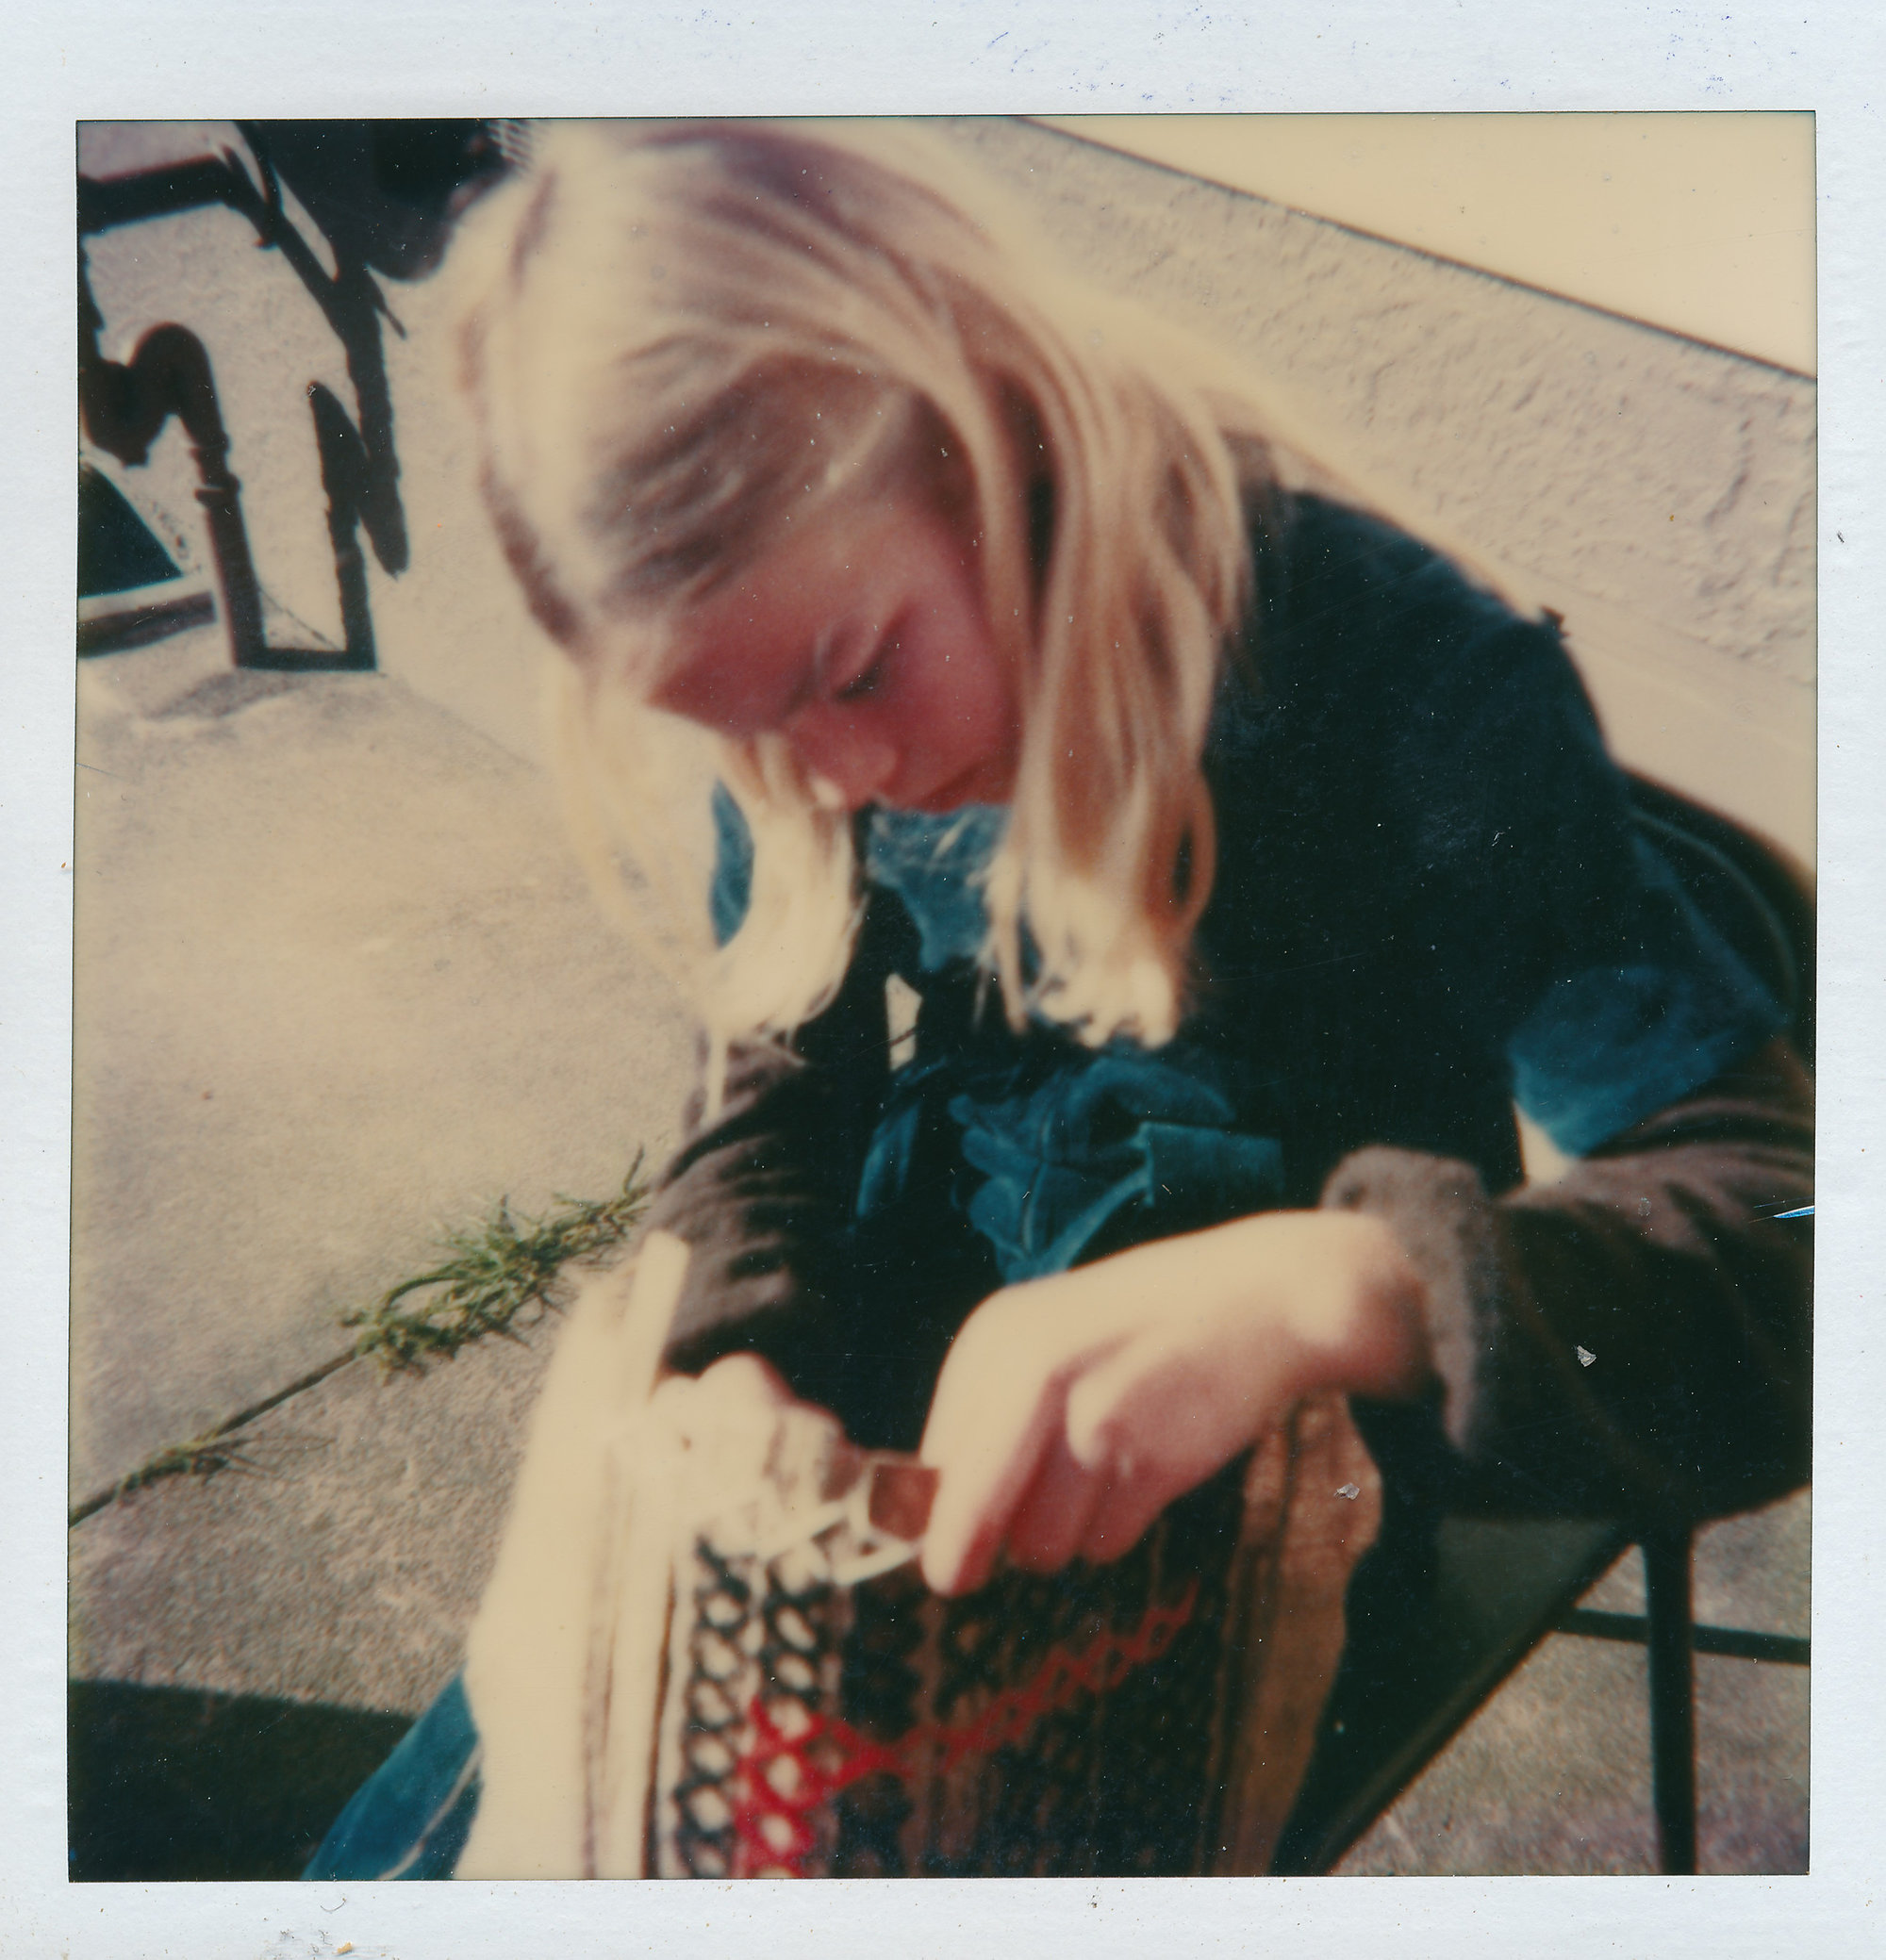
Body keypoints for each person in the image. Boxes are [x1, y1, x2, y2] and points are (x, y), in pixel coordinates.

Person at [306, 118, 1812, 1880]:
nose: (845, 775)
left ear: (986, 428)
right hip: (874, 1447)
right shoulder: (814, 724)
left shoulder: (1401, 687)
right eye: (751, 736)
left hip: (1259, 1516)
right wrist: (739, 1335)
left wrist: (1345, 1284)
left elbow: (1783, 1253)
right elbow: (768, 1066)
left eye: (857, 673)